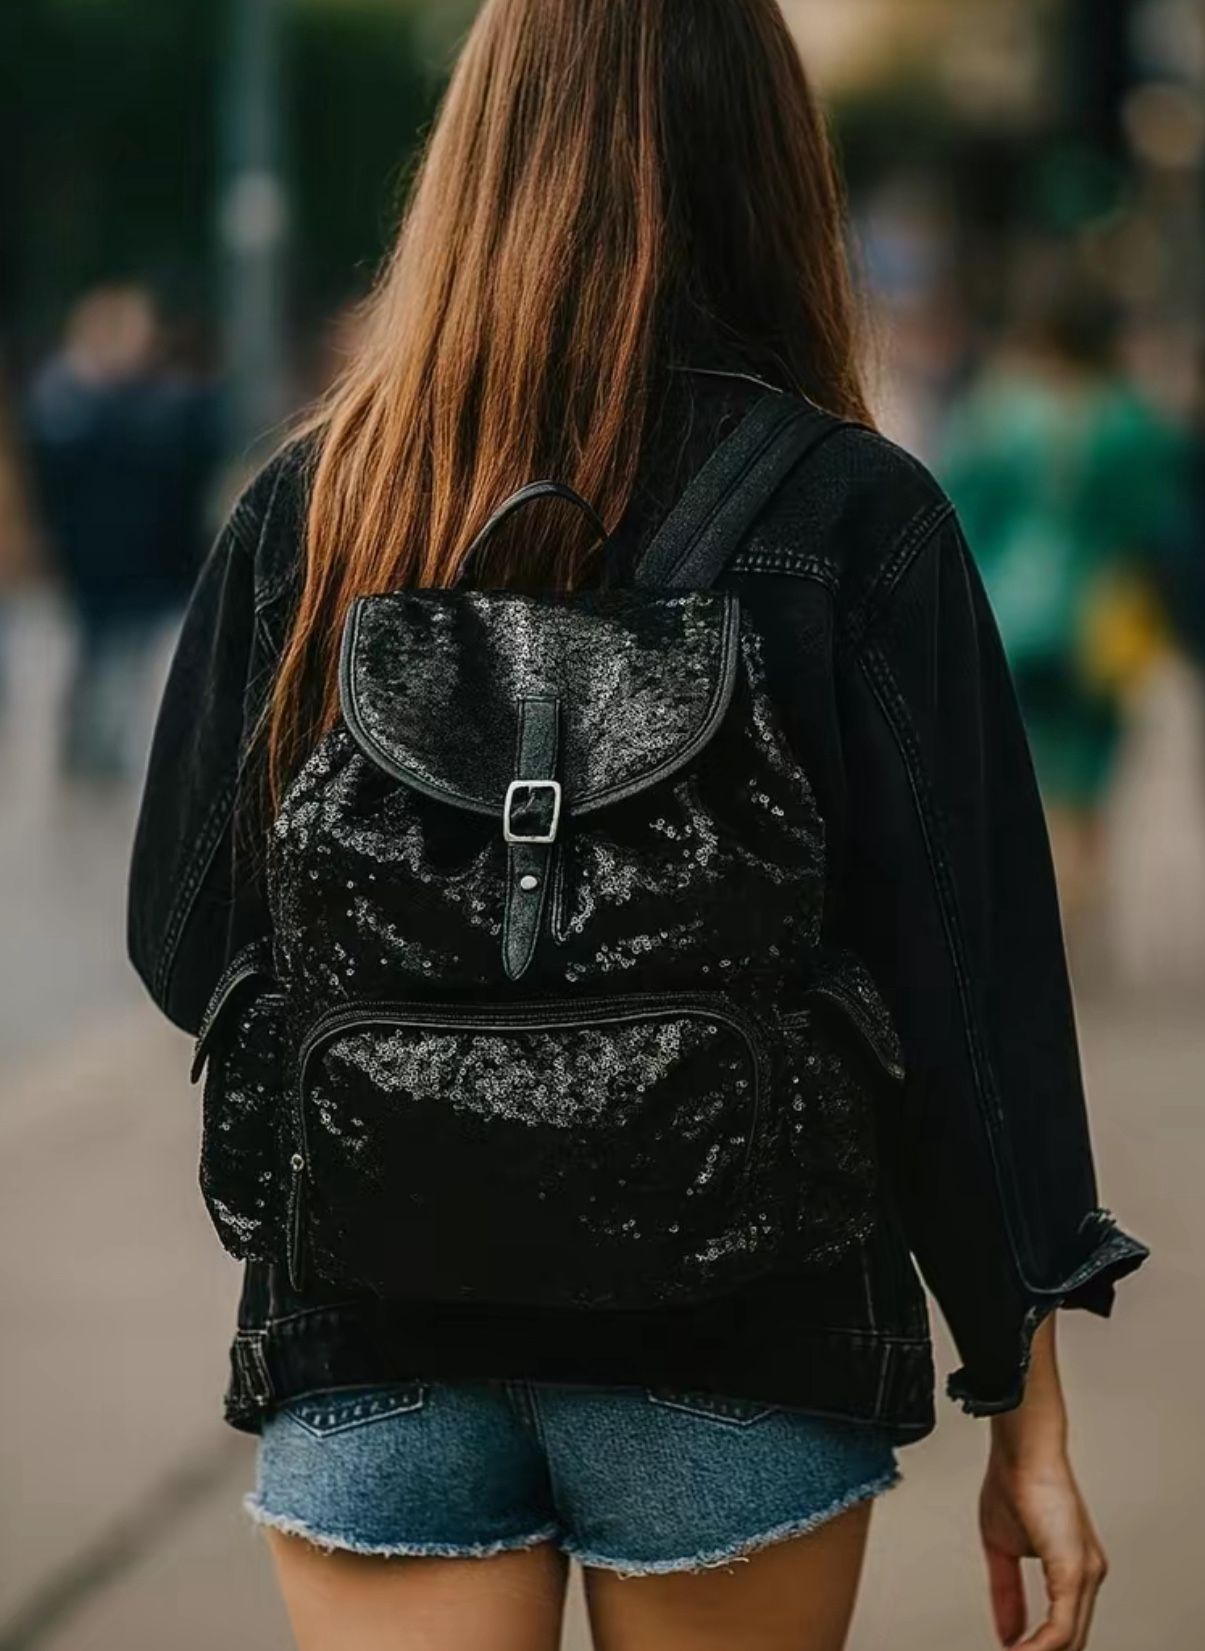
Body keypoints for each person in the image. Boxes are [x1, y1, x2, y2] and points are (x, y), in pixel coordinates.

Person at [127, 4, 1147, 1649]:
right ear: (771, 170)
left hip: (375, 1335)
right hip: (738, 1340)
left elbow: (184, 945)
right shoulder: (854, 514)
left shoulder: (316, 506)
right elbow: (977, 1011)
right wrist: (1023, 1404)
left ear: (471, 162)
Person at [941, 287, 1188, 931]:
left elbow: (959, 504)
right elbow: (1155, 524)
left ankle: (1036, 901)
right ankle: (1081, 892)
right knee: (1089, 767)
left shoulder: (1002, 413)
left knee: (1019, 761)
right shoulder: (1132, 422)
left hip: (1011, 608)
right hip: (1097, 619)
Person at [25, 284, 217, 782]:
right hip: (99, 561)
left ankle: (98, 751)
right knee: (100, 655)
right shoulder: (72, 405)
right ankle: (88, 751)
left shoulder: (132, 405)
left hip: (133, 563)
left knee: (121, 658)